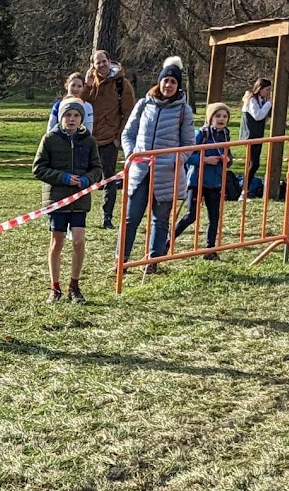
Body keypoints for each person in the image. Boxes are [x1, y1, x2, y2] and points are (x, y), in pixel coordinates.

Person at [121, 56, 197, 271]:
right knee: (131, 218)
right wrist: (131, 155)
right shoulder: (143, 104)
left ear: (178, 86)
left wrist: (175, 160)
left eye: (173, 82)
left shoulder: (184, 110)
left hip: (166, 174)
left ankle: (152, 261)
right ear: (159, 82)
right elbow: (128, 134)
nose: (168, 85)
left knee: (160, 220)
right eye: (166, 81)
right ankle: (121, 260)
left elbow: (189, 144)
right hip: (140, 171)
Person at [33, 97, 102, 303]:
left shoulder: (89, 141)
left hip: (80, 200)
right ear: (61, 117)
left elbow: (97, 169)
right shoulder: (49, 139)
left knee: (79, 241)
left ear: (81, 119)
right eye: (68, 115)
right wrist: (62, 177)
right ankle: (55, 287)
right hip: (57, 199)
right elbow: (38, 168)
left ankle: (74, 285)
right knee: (57, 242)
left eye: (76, 115)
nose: (71, 119)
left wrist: (86, 179)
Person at [83, 49, 136, 230]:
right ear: (93, 65)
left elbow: (129, 113)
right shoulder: (90, 84)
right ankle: (78, 216)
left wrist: (118, 138)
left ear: (109, 61)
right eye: (98, 63)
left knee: (109, 180)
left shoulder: (121, 84)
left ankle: (107, 218)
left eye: (104, 61)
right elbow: (79, 106)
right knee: (83, 179)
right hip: (88, 140)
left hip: (109, 140)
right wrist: (87, 86)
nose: (102, 65)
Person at [174, 102, 234, 258]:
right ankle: (168, 240)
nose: (221, 119)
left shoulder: (226, 134)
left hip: (215, 182)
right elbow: (187, 156)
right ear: (210, 118)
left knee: (214, 217)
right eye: (217, 116)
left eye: (224, 116)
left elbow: (230, 156)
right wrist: (205, 160)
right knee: (191, 215)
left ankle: (210, 249)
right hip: (196, 181)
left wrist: (227, 160)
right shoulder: (201, 134)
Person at [239, 78, 272, 199]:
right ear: (260, 89)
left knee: (253, 163)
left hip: (256, 135)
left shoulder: (260, 100)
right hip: (250, 136)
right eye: (267, 89)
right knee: (253, 164)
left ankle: (245, 190)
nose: (268, 92)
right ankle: (243, 191)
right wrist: (269, 104)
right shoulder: (252, 100)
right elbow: (257, 116)